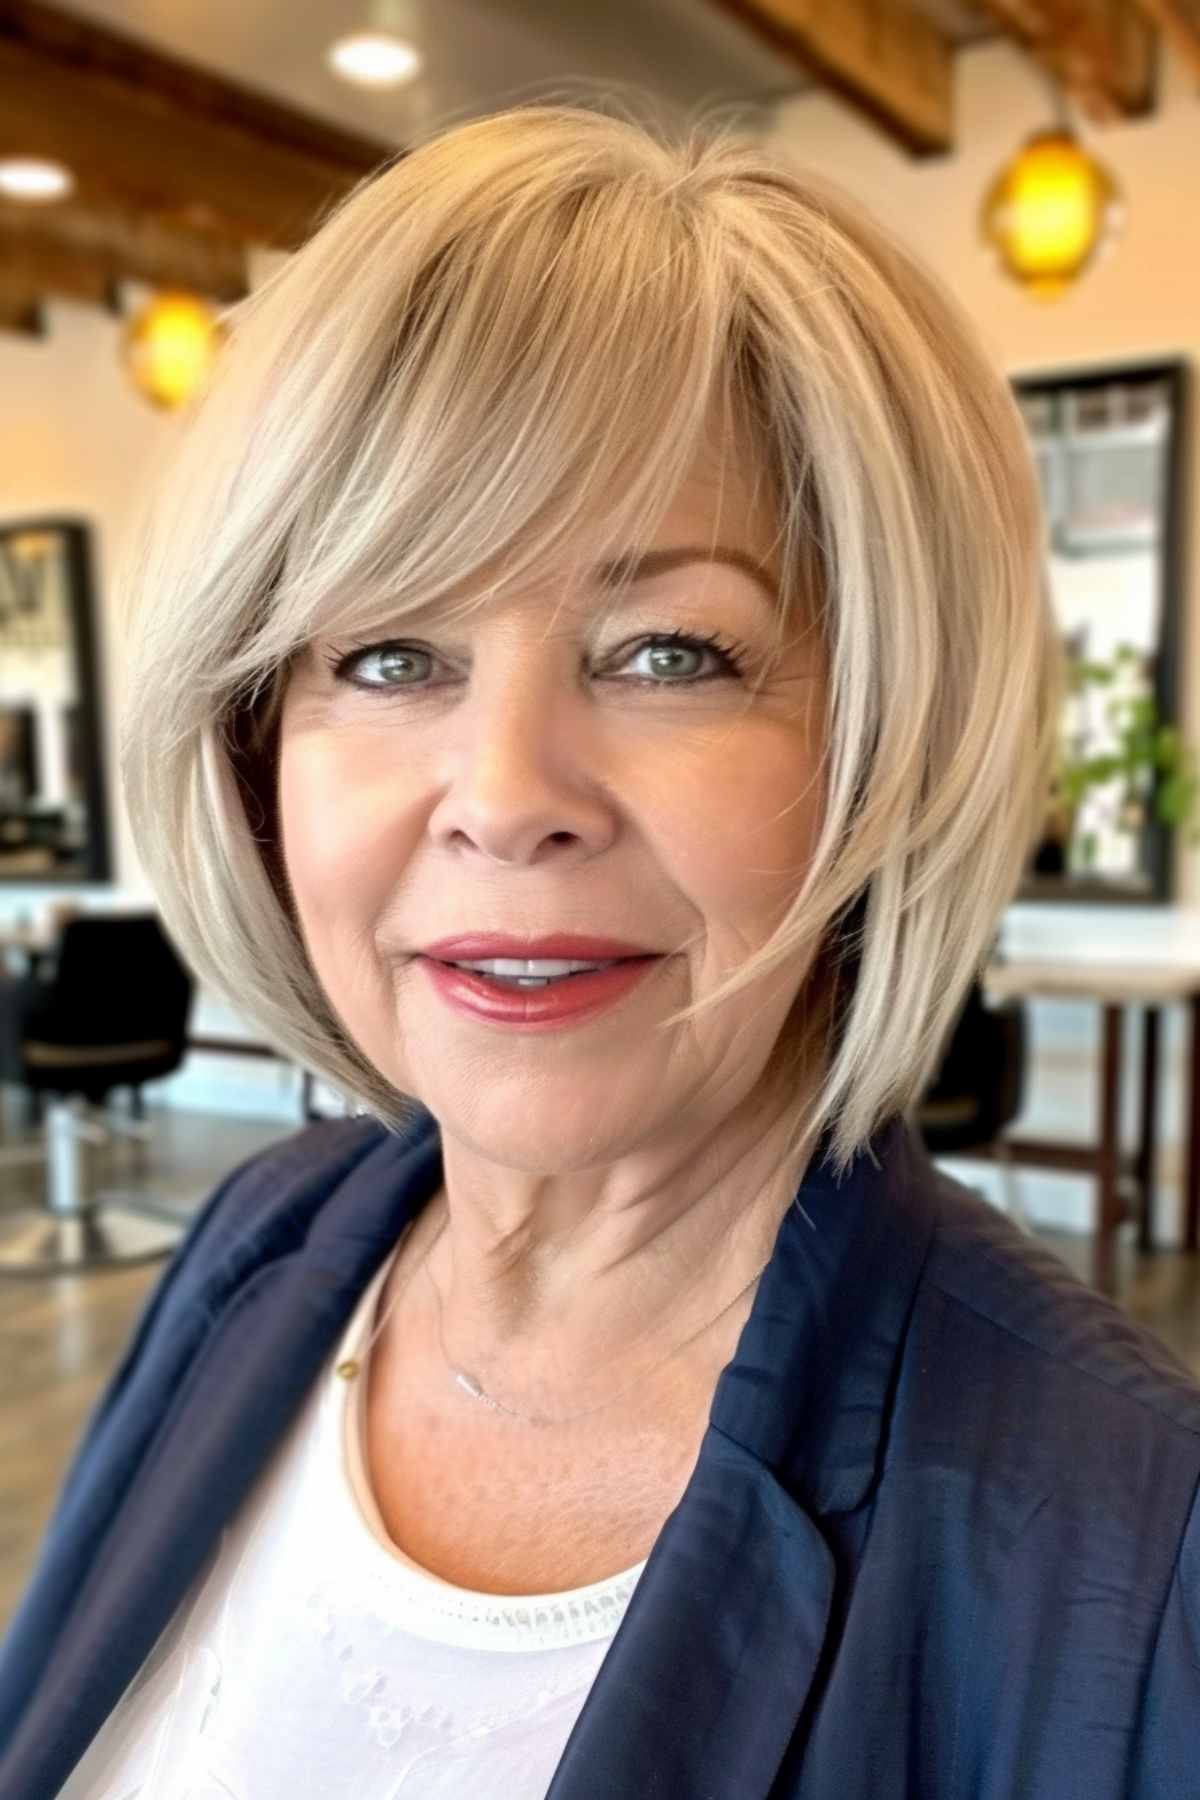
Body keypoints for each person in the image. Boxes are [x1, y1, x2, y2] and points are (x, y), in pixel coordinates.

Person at [1, 101, 1196, 1799]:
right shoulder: (259, 1249)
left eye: (667, 654)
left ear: (883, 730)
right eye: (393, 652)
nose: (505, 798)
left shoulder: (1135, 1552)